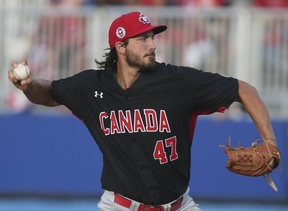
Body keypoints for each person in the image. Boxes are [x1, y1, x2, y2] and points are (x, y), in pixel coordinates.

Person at [8, 11, 279, 211]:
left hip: (179, 205)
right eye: (143, 39)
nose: (153, 45)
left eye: (152, 37)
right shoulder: (91, 86)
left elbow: (243, 89)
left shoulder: (178, 82)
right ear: (121, 46)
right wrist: (28, 85)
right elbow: (48, 92)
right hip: (120, 206)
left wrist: (270, 141)